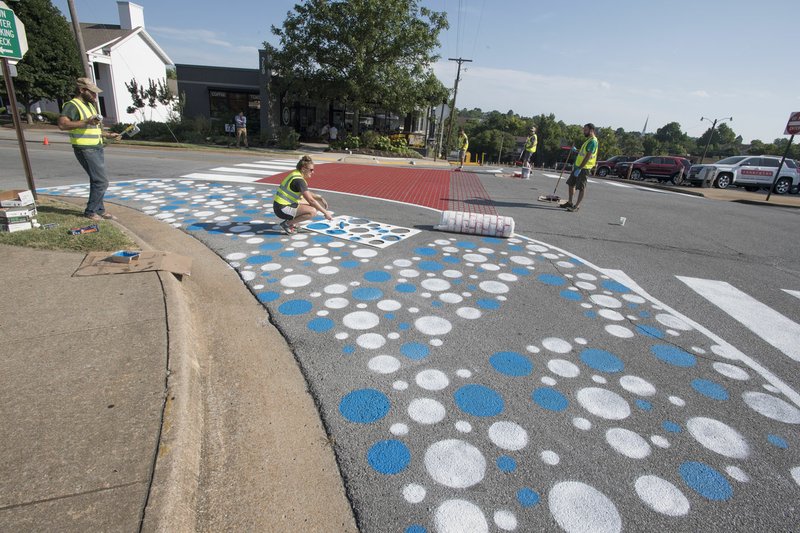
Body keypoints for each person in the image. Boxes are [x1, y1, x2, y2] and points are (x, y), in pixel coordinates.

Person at [57, 77, 121, 221]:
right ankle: (90, 211)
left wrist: (108, 135)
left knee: (97, 180)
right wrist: (86, 121)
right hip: (85, 148)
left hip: (96, 147)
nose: (95, 96)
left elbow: (92, 129)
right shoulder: (72, 105)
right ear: (82, 90)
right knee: (101, 181)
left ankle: (100, 209)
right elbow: (63, 124)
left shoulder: (90, 106)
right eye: (92, 93)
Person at [273, 155, 332, 234]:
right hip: (282, 209)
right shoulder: (299, 180)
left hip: (282, 205)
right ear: (303, 169)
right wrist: (325, 213)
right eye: (311, 170)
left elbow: (306, 192)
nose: (313, 172)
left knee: (315, 204)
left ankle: (292, 223)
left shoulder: (295, 174)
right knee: (312, 211)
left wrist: (319, 198)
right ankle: (287, 224)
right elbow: (311, 200)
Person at [563, 123, 599, 212]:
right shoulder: (588, 140)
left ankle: (577, 206)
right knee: (571, 184)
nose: (584, 131)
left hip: (584, 168)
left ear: (591, 130)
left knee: (581, 187)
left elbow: (587, 157)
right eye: (584, 130)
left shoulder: (593, 141)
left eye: (585, 130)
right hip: (578, 166)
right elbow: (583, 152)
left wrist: (580, 168)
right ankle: (570, 202)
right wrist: (576, 150)